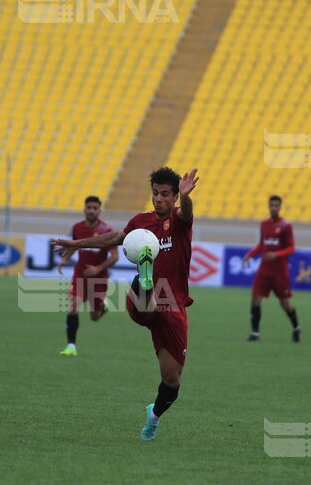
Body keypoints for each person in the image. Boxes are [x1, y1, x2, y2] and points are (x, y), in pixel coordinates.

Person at [52, 167, 200, 442]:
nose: (159, 199)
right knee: (147, 293)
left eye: (165, 194)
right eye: (155, 193)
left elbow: (187, 212)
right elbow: (113, 238)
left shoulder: (180, 221)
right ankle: (145, 279)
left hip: (174, 307)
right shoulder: (141, 223)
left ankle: (153, 417)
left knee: (172, 382)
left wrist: (186, 196)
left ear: (174, 196)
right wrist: (77, 243)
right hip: (144, 301)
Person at [56, 196, 118, 356]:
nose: (91, 210)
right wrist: (64, 260)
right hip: (80, 274)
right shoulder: (77, 227)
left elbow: (115, 256)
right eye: (88, 207)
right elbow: (74, 246)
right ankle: (71, 346)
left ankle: (103, 306)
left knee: (94, 317)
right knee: (74, 306)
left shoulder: (107, 231)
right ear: (84, 209)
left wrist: (98, 268)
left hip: (98, 278)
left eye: (94, 208)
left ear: (100, 210)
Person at [243, 195, 300, 343]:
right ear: (269, 206)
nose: (274, 208)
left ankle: (296, 328)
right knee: (255, 299)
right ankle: (255, 333)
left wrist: (277, 254)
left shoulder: (286, 225)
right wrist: (250, 254)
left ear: (280, 207)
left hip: (280, 272)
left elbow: (292, 247)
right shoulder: (264, 224)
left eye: (276, 205)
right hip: (264, 270)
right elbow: (262, 244)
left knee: (285, 304)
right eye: (272, 205)